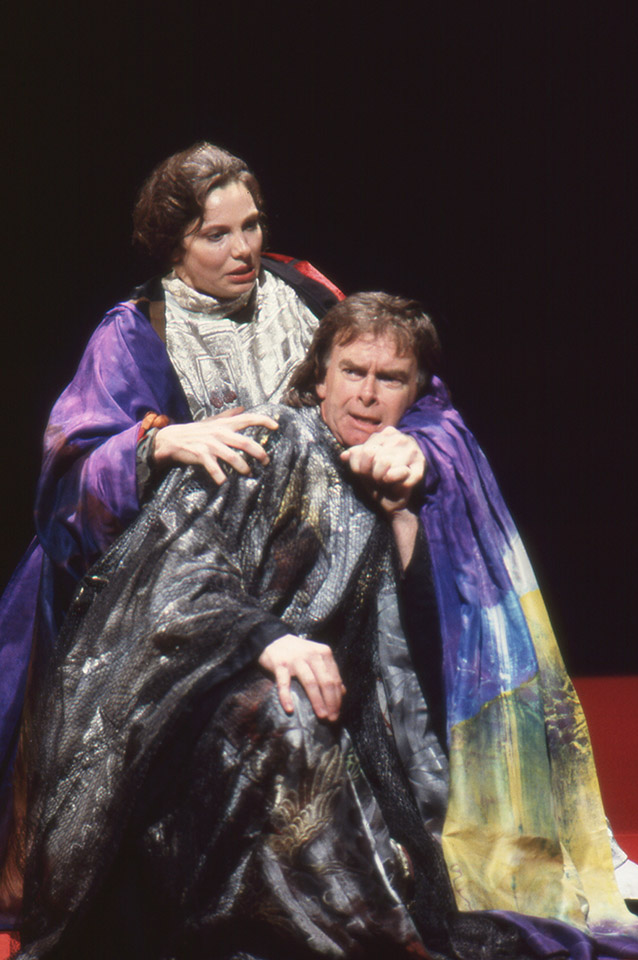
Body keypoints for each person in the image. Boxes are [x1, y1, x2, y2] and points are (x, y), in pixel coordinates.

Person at [17, 295, 638, 960]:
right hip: (199, 706)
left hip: (347, 717)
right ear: (321, 376)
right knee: (286, 714)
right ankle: (370, 942)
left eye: (390, 379)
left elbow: (419, 651)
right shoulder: (265, 444)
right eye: (353, 372)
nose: (368, 395)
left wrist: (403, 518)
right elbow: (176, 584)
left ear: (416, 395)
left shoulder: (393, 476)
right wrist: (267, 641)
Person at [0, 142, 346, 919]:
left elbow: (387, 368)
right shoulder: (137, 329)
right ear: (173, 245)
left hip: (311, 551)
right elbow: (68, 471)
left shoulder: (304, 291)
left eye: (251, 226)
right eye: (216, 235)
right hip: (179, 579)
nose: (244, 248)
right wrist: (156, 443)